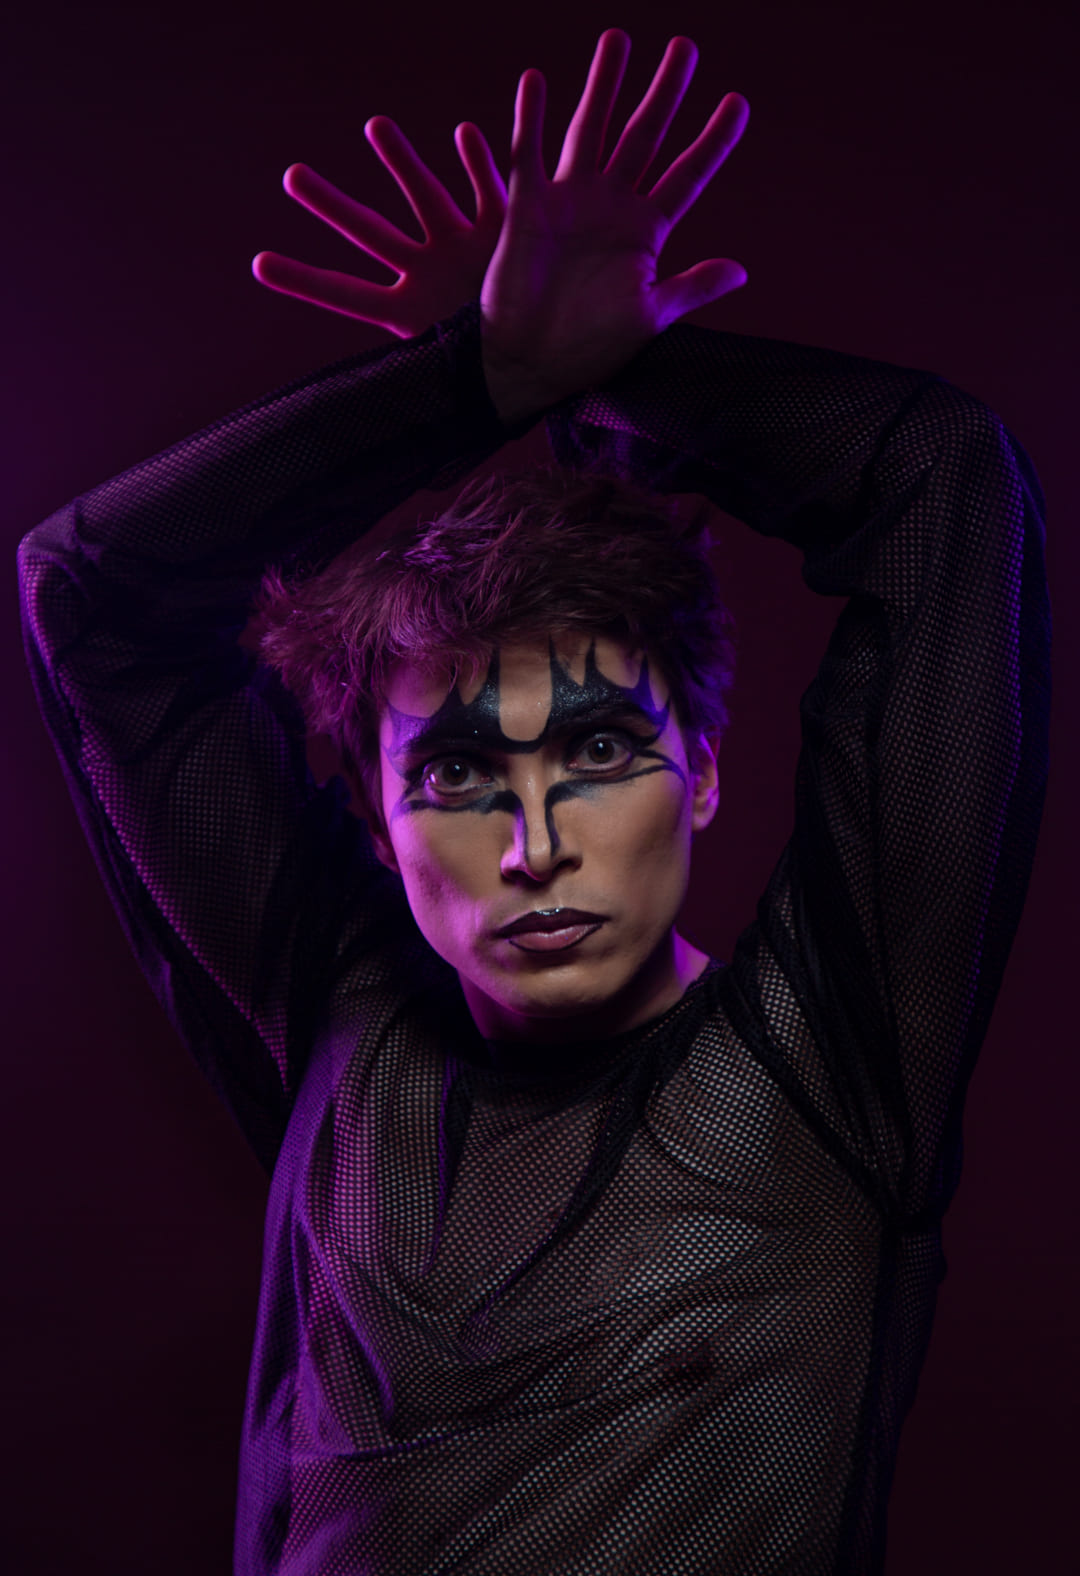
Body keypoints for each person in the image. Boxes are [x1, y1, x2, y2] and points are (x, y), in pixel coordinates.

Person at [16, 27, 1050, 1576]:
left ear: (705, 771)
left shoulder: (836, 1057)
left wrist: (601, 378)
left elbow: (940, 481)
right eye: (457, 776)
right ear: (379, 823)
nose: (537, 843)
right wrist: (473, 382)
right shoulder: (348, 1030)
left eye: (601, 753)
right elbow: (87, 593)